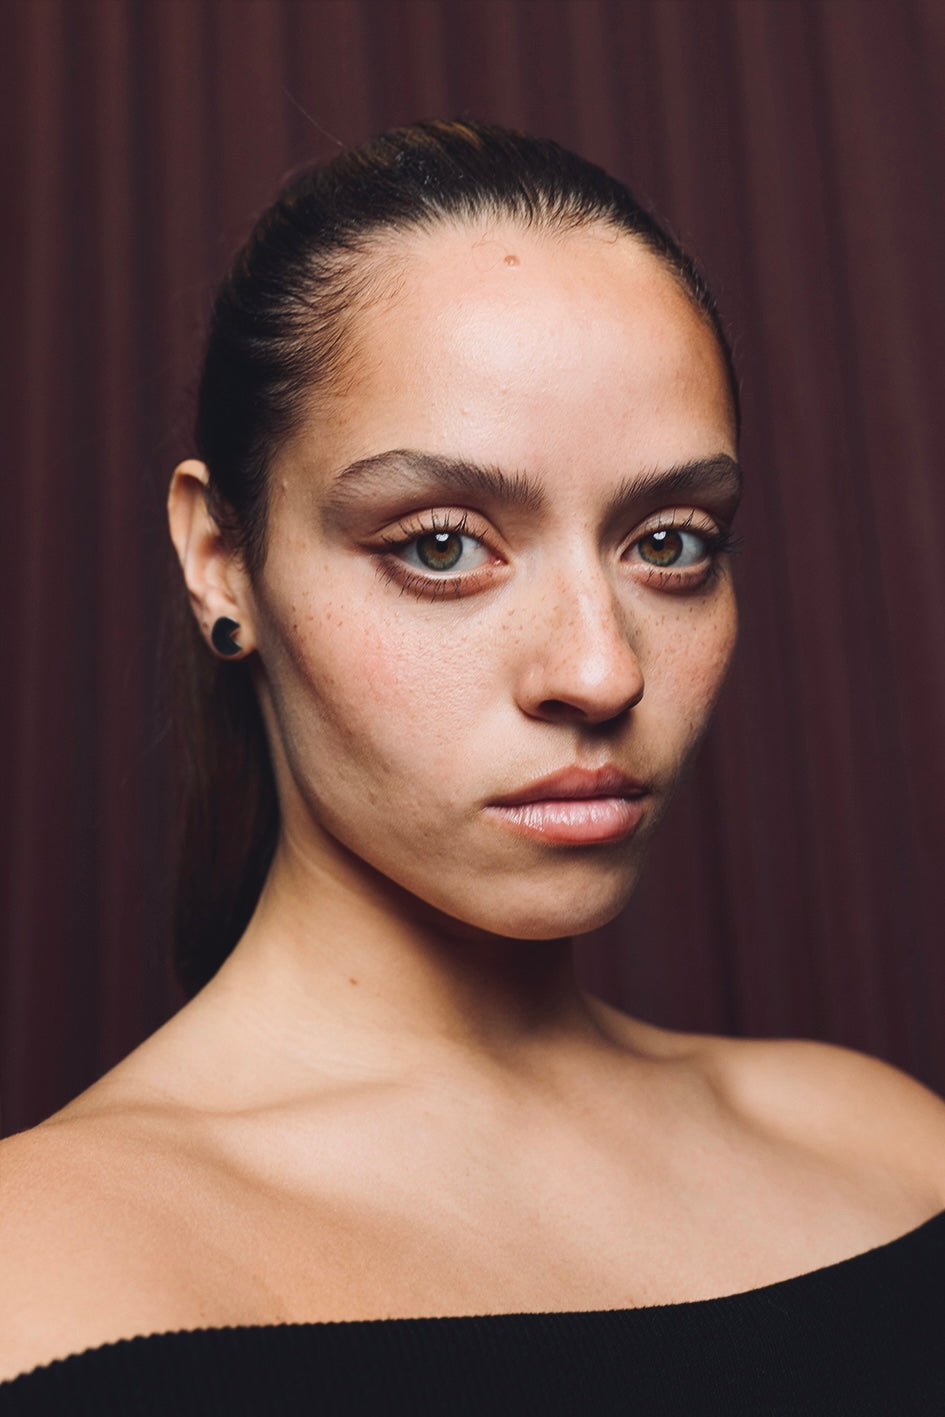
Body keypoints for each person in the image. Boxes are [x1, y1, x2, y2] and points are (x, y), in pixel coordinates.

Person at [1, 119, 944, 1415]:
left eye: (669, 541)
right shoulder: (40, 1278)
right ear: (222, 560)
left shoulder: (891, 1154)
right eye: (442, 546)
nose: (599, 671)